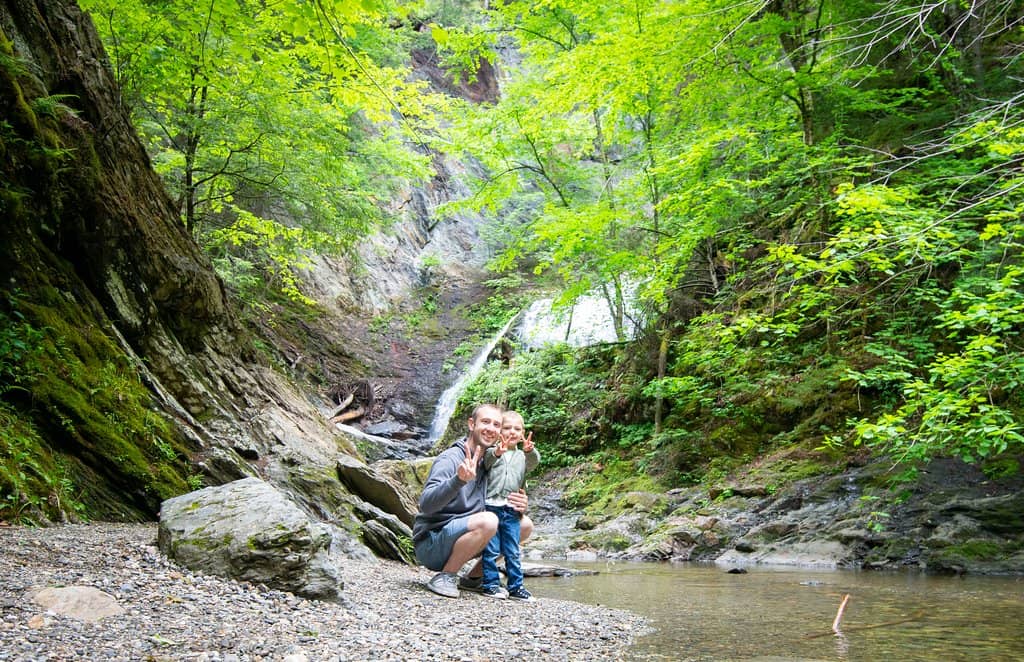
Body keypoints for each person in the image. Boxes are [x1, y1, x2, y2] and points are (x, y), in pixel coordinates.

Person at [412, 403, 531, 598]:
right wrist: (458, 481)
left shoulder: (493, 463)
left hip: (468, 536)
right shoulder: (451, 458)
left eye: (496, 424)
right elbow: (425, 504)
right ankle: (445, 577)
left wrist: (520, 506)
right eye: (485, 422)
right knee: (489, 520)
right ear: (471, 424)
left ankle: (474, 579)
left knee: (523, 525)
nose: (491, 428)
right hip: (432, 542)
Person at [480, 410, 540, 601]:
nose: (512, 432)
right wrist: (498, 451)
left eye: (517, 429)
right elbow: (487, 462)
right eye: (507, 428)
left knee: (512, 550)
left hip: (511, 509)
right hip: (491, 507)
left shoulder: (523, 456)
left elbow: (533, 464)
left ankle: (516, 586)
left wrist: (530, 451)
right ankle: (490, 584)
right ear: (499, 431)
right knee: (491, 549)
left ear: (522, 433)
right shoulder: (492, 451)